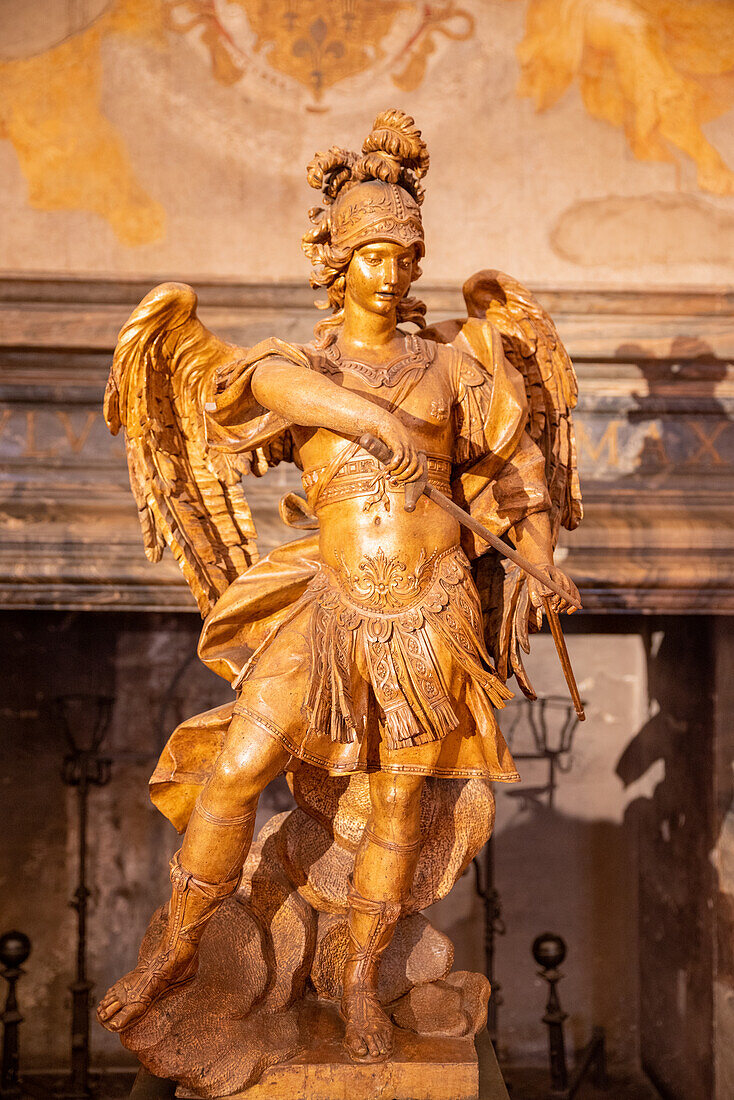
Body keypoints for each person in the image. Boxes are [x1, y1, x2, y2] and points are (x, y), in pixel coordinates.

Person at [97, 108, 579, 1062]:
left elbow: (520, 475)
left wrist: (540, 557)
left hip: (433, 611)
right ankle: (176, 951)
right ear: (337, 260)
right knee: (237, 769)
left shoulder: (455, 366)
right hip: (331, 608)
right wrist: (370, 422)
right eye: (372, 255)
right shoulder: (300, 365)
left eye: (405, 255)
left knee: (401, 805)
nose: (392, 274)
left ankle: (359, 980)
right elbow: (260, 393)